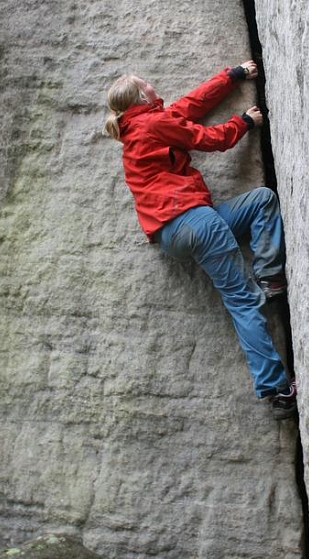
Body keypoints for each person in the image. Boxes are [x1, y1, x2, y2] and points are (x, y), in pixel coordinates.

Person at [104, 60, 297, 419]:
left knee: (261, 201)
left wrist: (233, 76)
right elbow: (209, 139)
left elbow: (192, 104)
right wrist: (244, 122)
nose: (153, 86)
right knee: (242, 302)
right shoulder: (154, 123)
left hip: (174, 234)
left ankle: (271, 277)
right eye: (147, 84)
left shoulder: (140, 128)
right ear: (141, 97)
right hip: (195, 220)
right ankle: (276, 389)